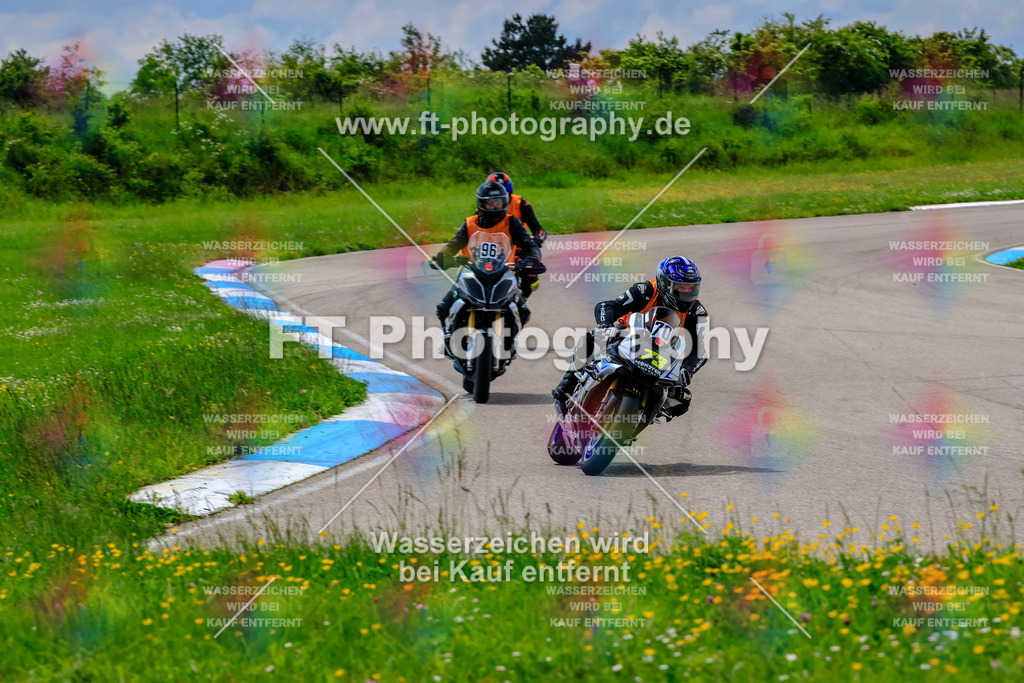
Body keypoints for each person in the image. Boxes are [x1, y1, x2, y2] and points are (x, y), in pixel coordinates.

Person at [551, 256, 708, 418]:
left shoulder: (697, 312)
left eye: (692, 288)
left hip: (663, 356)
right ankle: (567, 385)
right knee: (592, 339)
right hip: (626, 338)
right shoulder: (645, 290)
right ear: (665, 284)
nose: (687, 294)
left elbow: (700, 351)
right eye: (681, 288)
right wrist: (605, 327)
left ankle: (643, 418)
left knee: (682, 401)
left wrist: (686, 371)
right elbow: (607, 306)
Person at [433, 180, 545, 330]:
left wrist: (533, 258)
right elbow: (454, 244)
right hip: (471, 273)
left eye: (498, 203)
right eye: (490, 203)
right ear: (481, 204)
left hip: (504, 273)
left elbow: (529, 245)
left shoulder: (512, 223)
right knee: (442, 307)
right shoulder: (469, 224)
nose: (495, 206)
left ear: (504, 202)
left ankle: (510, 340)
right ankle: (447, 332)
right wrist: (444, 256)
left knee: (523, 310)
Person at [487, 171, 545, 298]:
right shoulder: (483, 209)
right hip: (493, 250)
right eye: (494, 199)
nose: (499, 202)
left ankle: (521, 301)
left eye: (504, 195)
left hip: (518, 248)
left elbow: (537, 228)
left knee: (532, 280)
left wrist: (537, 239)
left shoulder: (522, 205)